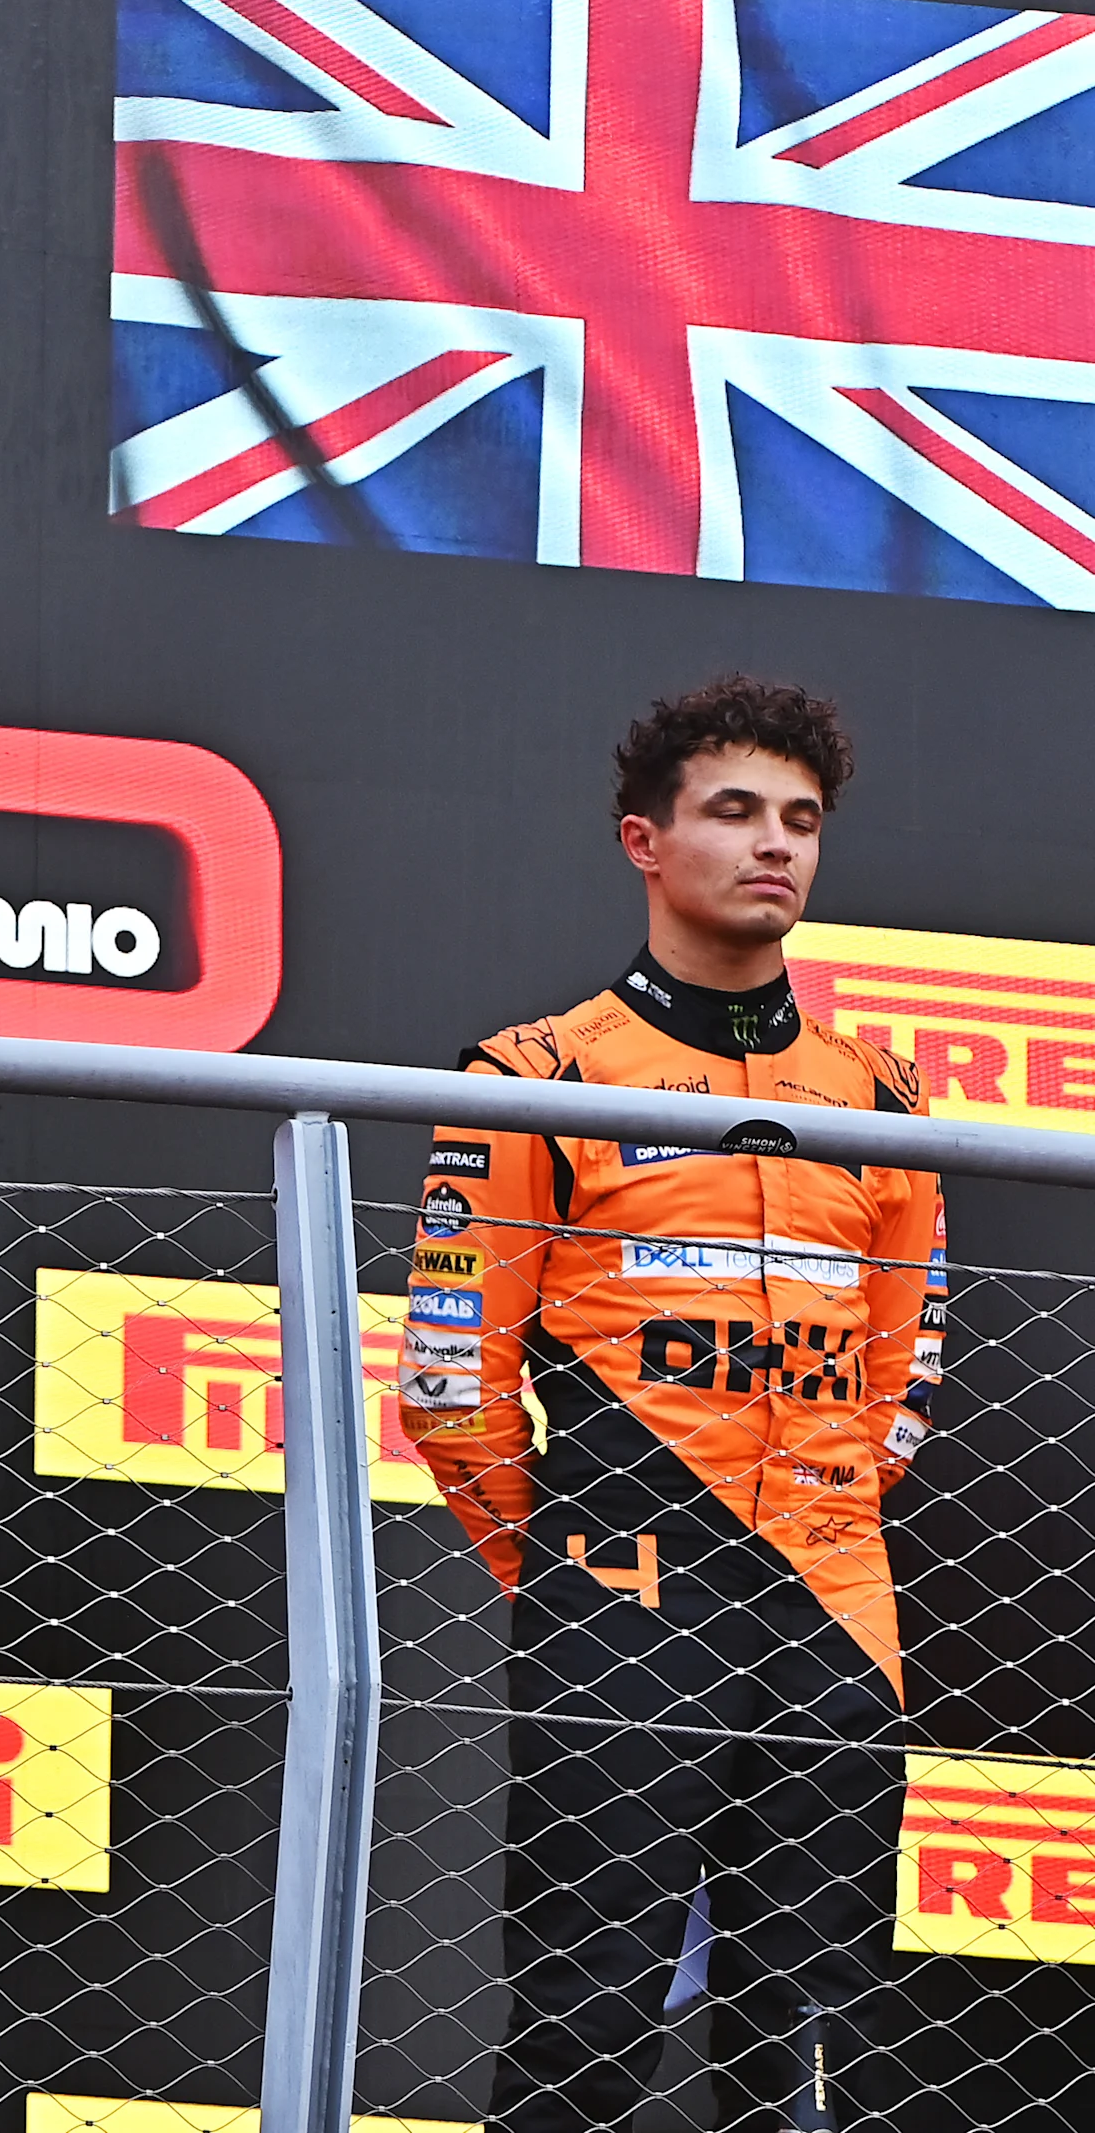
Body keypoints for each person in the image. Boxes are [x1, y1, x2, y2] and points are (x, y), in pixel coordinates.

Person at [396, 677, 945, 2133]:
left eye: (802, 820)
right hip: (623, 1594)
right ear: (645, 840)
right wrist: (571, 1567)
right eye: (735, 812)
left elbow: (909, 1369)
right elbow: (452, 1382)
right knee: (586, 2022)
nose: (776, 846)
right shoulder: (535, 1077)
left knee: (815, 2038)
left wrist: (818, 1519)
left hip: (837, 1602)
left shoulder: (881, 1097)